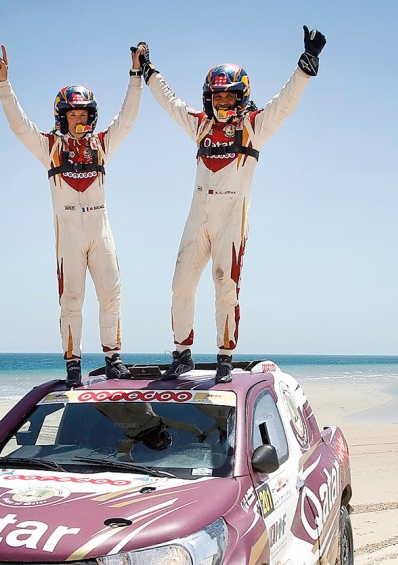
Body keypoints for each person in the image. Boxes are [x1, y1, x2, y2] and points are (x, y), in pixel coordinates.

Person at [137, 28, 326, 382]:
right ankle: (182, 354)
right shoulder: (200, 126)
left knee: (226, 286)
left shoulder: (253, 127)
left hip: (231, 220)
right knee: (180, 285)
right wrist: (148, 69)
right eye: (217, 98)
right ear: (209, 99)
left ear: (242, 99)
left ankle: (225, 358)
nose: (223, 104)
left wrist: (306, 64)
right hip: (197, 218)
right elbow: (170, 102)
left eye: (229, 98)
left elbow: (284, 103)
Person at [0, 45, 146, 387]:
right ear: (61, 117)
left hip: (100, 228)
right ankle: (73, 364)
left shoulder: (103, 144)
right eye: (72, 114)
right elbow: (20, 127)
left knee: (112, 293)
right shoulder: (50, 148)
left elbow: (128, 118)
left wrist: (135, 76)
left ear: (92, 115)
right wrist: (5, 84)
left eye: (84, 113)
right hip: (69, 234)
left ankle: (113, 358)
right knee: (71, 299)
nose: (78, 119)